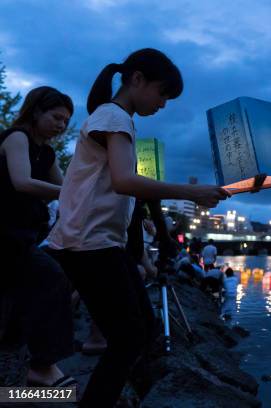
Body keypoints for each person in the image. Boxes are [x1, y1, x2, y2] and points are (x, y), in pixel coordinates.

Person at [47, 48, 231, 407]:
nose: (163, 104)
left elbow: (125, 185)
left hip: (99, 243)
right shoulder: (115, 117)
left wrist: (159, 229)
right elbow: (124, 181)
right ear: (137, 79)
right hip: (89, 243)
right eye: (162, 94)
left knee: (142, 330)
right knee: (129, 338)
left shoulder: (115, 117)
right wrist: (190, 192)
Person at [0, 86, 76, 387]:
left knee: (40, 284)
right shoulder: (17, 137)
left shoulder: (47, 153)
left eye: (66, 121)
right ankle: (42, 365)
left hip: (22, 235)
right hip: (4, 233)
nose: (61, 125)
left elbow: (69, 187)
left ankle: (18, 359)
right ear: (36, 111)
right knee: (51, 277)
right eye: (56, 117)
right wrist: (71, 193)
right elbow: (22, 182)